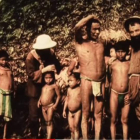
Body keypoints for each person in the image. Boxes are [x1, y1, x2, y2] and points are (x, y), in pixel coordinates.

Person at [74, 15, 106, 139]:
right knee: (86, 113)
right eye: (94, 29)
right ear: (87, 29)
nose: (97, 32)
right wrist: (91, 16)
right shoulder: (80, 42)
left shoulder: (101, 44)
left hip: (100, 81)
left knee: (98, 114)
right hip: (86, 80)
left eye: (98, 29)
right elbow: (77, 27)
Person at [25, 34, 61, 138]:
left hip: (47, 87)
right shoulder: (30, 57)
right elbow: (31, 75)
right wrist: (44, 70)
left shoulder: (50, 53)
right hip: (34, 89)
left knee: (48, 114)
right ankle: (34, 135)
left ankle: (47, 134)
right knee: (34, 114)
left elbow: (56, 65)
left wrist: (56, 70)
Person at [108, 41, 130, 140]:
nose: (120, 54)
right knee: (113, 120)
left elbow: (132, 81)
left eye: (123, 52)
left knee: (125, 120)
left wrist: (129, 93)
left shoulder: (129, 64)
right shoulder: (112, 64)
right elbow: (107, 77)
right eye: (118, 51)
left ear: (127, 52)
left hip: (126, 94)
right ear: (115, 52)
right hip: (114, 94)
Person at [124, 16, 140, 137]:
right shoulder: (133, 47)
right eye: (132, 32)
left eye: (137, 31)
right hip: (132, 82)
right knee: (134, 114)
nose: (134, 34)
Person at [37, 71, 61, 139]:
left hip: (50, 106)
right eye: (46, 78)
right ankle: (48, 135)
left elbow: (59, 96)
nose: (48, 79)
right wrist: (39, 101)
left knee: (50, 121)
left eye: (50, 78)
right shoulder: (44, 87)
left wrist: (55, 105)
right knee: (47, 122)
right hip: (43, 107)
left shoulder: (54, 86)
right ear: (44, 78)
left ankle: (49, 137)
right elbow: (42, 95)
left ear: (53, 78)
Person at [63, 72, 81, 139]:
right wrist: (64, 110)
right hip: (70, 112)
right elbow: (67, 100)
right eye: (68, 81)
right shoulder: (69, 90)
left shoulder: (80, 89)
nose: (69, 82)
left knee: (76, 126)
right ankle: (72, 138)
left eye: (71, 81)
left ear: (78, 81)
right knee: (71, 128)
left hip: (77, 111)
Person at [0, 50, 14, 139]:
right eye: (2, 60)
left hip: (9, 94)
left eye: (5, 60)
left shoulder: (9, 69)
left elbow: (12, 80)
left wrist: (14, 89)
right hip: (0, 93)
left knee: (7, 116)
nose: (4, 62)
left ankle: (5, 136)